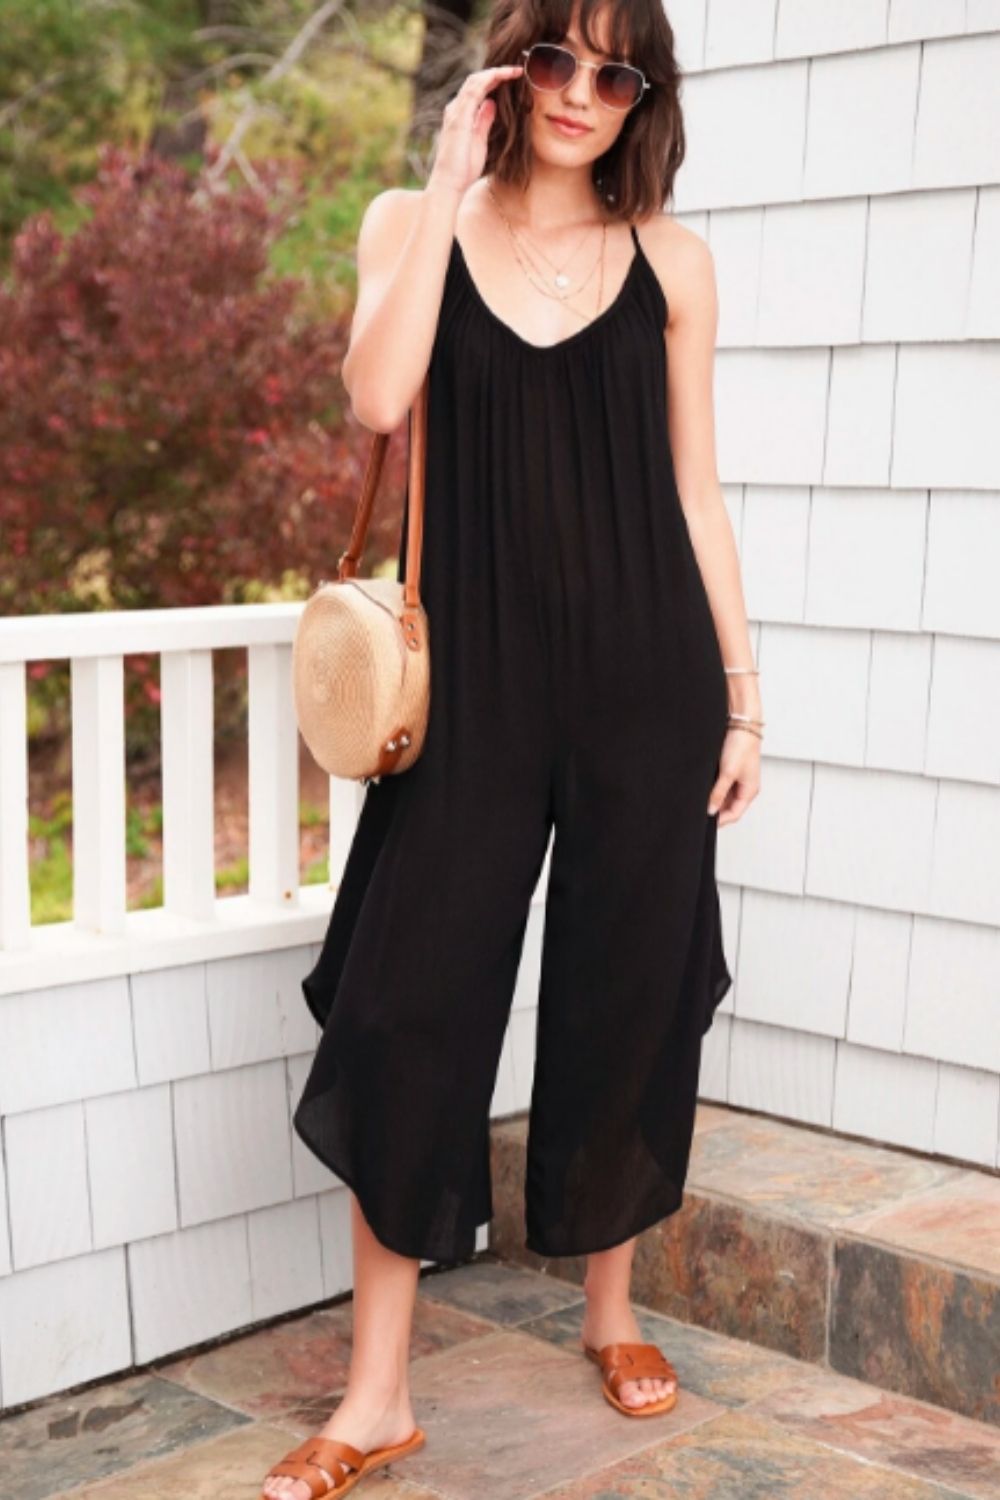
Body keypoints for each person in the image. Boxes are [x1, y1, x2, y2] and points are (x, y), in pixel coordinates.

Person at [263, 1, 761, 1495]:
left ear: (642, 99)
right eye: (557, 58)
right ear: (510, 64)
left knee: (628, 994)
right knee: (409, 1006)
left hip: (645, 683)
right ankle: (375, 1397)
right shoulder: (410, 220)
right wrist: (443, 171)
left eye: (617, 74)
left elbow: (696, 492)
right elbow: (377, 398)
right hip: (467, 689)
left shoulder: (673, 261)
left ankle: (611, 1313)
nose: (581, 93)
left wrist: (743, 699)